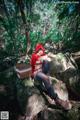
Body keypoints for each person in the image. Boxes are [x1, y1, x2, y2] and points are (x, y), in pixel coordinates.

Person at [31, 43, 70, 110]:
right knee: (45, 76)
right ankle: (56, 99)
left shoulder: (43, 55)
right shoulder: (34, 56)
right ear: (37, 50)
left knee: (46, 62)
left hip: (42, 72)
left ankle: (47, 82)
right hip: (36, 74)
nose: (41, 51)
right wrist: (46, 57)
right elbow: (39, 59)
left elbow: (51, 58)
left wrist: (52, 56)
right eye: (39, 50)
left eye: (42, 50)